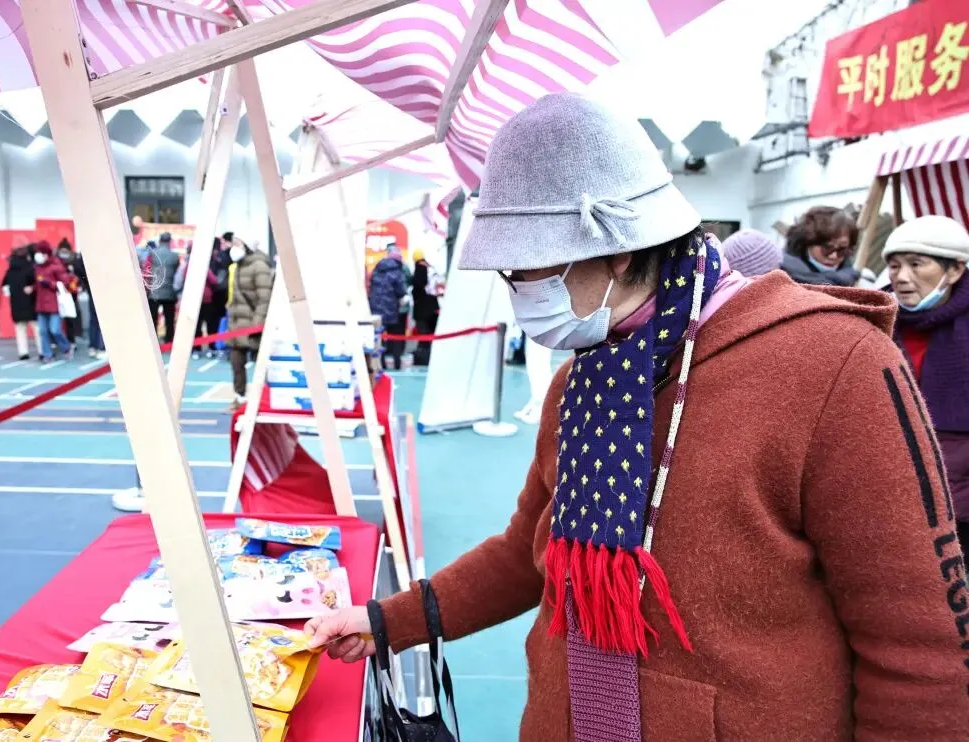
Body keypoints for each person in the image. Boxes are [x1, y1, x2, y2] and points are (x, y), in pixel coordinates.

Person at [305, 93, 969, 741]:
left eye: (525, 269)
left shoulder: (836, 365)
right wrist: (386, 621)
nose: (516, 293)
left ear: (618, 251)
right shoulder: (582, 381)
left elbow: (917, 650)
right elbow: (527, 552)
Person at [885, 215, 969, 561]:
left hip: (960, 506)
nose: (902, 277)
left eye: (917, 264)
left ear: (955, 270)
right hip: (891, 498)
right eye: (894, 266)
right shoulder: (874, 320)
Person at [226, 237, 273, 408]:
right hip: (237, 324)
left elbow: (264, 298)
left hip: (254, 325)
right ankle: (239, 397)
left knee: (263, 364)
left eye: (237, 244)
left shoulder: (259, 266)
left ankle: (266, 398)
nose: (233, 247)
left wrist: (256, 324)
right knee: (236, 362)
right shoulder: (238, 266)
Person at [780, 206, 861, 286]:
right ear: (807, 242)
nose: (833, 256)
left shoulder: (858, 281)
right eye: (827, 247)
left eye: (842, 249)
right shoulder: (780, 279)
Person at [173, 242, 220, 360]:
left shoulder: (187, 266)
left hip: (193, 298)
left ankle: (196, 349)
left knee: (195, 326)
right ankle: (211, 348)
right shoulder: (203, 265)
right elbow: (214, 280)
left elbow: (182, 279)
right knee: (209, 325)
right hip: (206, 299)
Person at [31, 241, 74, 362]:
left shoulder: (56, 266)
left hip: (55, 304)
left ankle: (66, 347)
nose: (38, 255)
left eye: (41, 252)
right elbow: (37, 284)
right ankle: (47, 354)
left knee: (55, 330)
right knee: (43, 331)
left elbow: (65, 283)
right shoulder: (37, 267)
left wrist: (49, 283)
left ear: (46, 254)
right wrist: (33, 287)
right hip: (41, 304)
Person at [369, 243, 409, 370]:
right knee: (396, 337)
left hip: (376, 309)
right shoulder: (397, 272)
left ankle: (380, 364)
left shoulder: (377, 269)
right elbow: (401, 291)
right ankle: (397, 363)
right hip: (391, 309)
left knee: (379, 338)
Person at [1, 246, 38, 360]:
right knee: (37, 329)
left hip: (16, 304)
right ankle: (42, 351)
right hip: (30, 303)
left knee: (20, 329)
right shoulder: (30, 268)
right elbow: (36, 283)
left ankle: (23, 352)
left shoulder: (10, 271)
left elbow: (4, 286)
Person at [146, 232, 181, 344]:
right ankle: (169, 342)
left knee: (153, 320)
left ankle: (153, 342)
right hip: (170, 292)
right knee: (169, 320)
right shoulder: (175, 256)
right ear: (170, 241)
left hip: (154, 292)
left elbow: (147, 272)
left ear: (160, 241)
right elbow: (178, 273)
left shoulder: (152, 254)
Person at [411, 247, 442, 366]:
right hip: (434, 307)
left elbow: (418, 286)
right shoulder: (431, 269)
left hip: (423, 310)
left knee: (423, 336)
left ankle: (423, 359)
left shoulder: (420, 269)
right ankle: (432, 358)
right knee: (432, 336)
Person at [56, 239, 82, 343]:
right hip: (59, 293)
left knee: (72, 316)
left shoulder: (74, 261)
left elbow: (81, 276)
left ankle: (73, 339)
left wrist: (80, 287)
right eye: (62, 251)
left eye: (65, 251)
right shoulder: (56, 262)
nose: (64, 253)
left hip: (72, 293)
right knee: (59, 318)